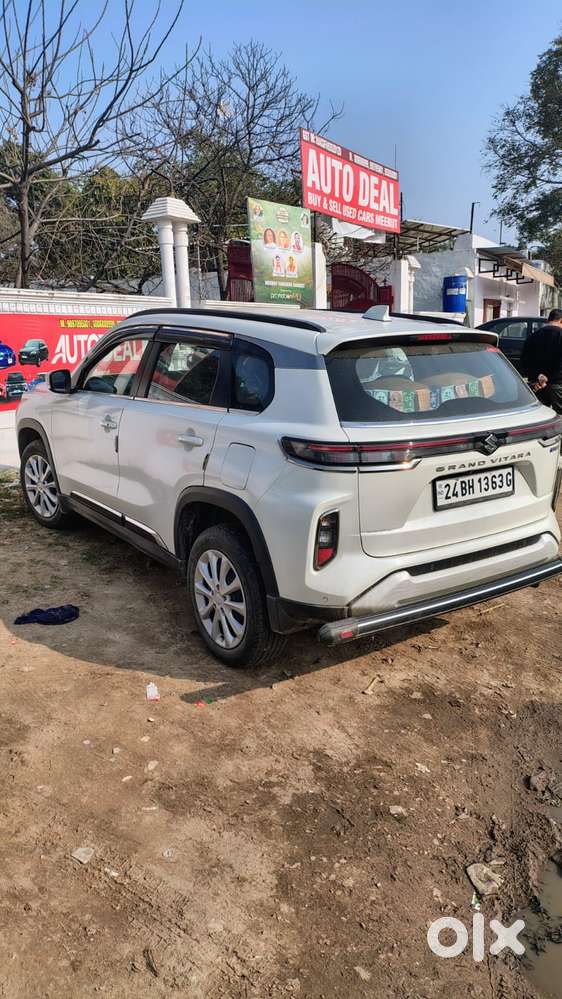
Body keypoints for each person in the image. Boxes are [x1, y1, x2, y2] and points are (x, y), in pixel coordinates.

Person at [520, 308, 562, 413]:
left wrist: (538, 376)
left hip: (537, 384)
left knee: (541, 416)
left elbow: (524, 362)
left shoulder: (532, 336)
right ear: (561, 320)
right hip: (557, 384)